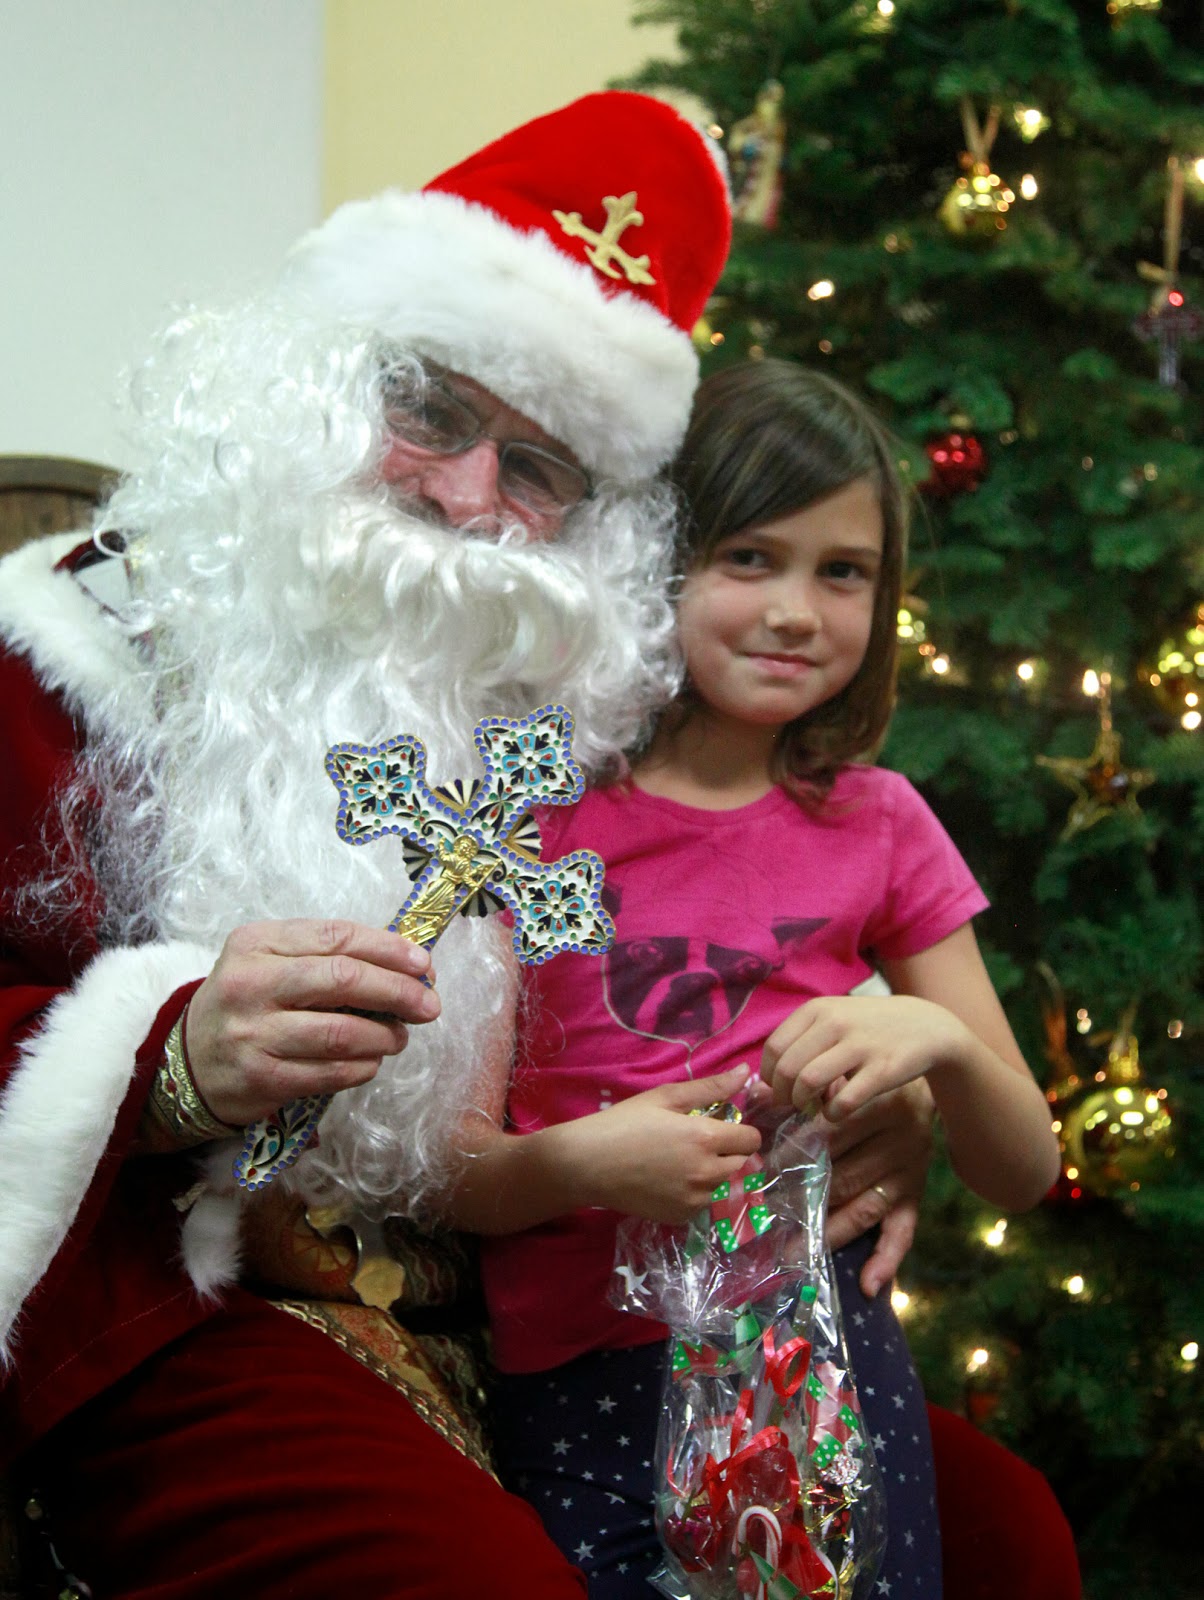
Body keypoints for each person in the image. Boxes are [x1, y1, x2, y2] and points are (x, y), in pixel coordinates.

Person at [0, 95, 928, 1599]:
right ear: (312, 377)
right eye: (429, 411)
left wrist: (862, 1114)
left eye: (539, 468)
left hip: (530, 1284)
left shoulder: (566, 697)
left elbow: (722, 935)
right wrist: (165, 1061)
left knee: (998, 1524)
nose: (467, 496)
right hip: (167, 1286)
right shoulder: (51, 661)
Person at [440, 358, 1062, 1597]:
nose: (795, 611)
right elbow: (449, 1170)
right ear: (656, 560)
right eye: (749, 558)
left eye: (843, 572)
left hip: (821, 1355)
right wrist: (579, 1162)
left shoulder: (878, 823)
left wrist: (936, 1043)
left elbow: (1024, 1167)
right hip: (583, 1380)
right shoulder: (525, 814)